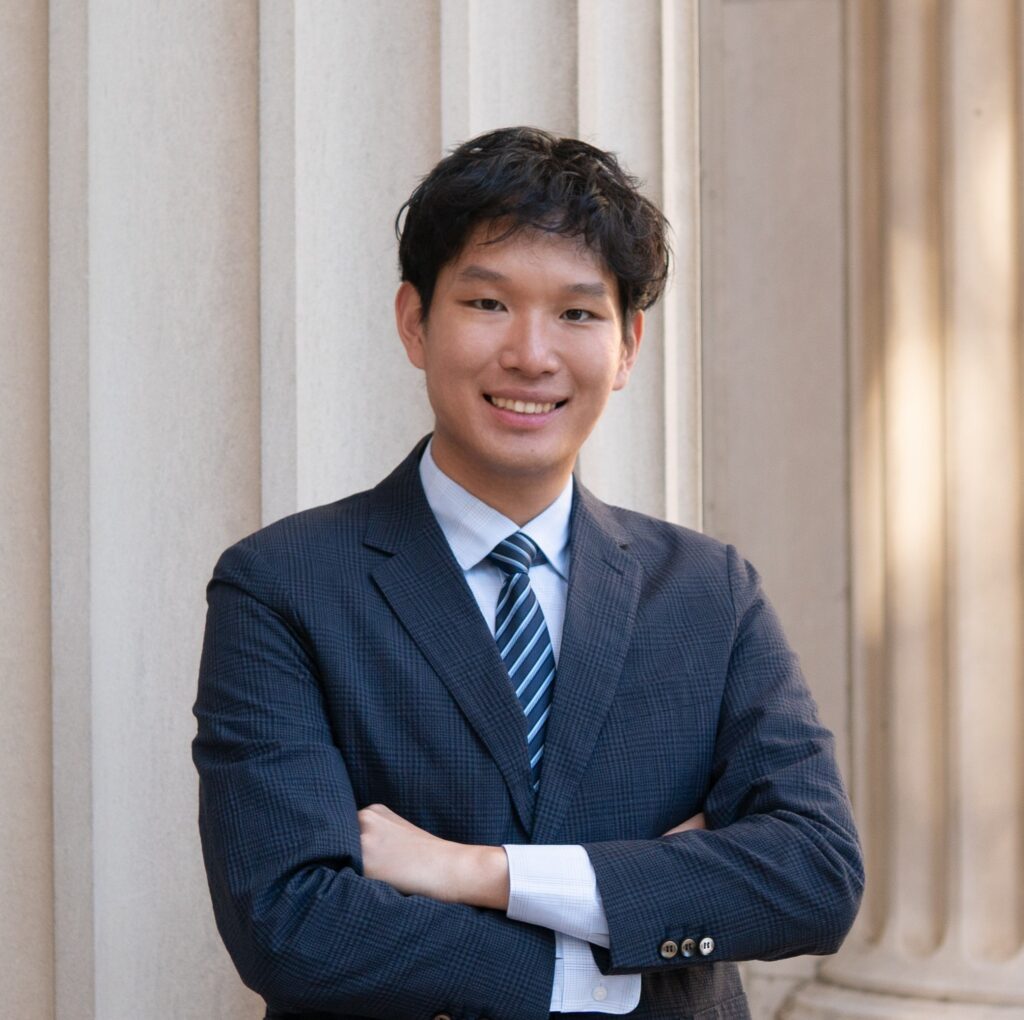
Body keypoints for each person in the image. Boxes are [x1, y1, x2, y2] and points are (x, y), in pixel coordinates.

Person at [193, 126, 863, 1020]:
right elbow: (291, 922)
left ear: (626, 346)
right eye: (489, 304)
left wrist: (475, 873)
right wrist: (609, 955)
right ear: (414, 322)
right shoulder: (284, 586)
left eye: (578, 314)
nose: (532, 355)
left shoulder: (709, 592)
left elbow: (815, 875)